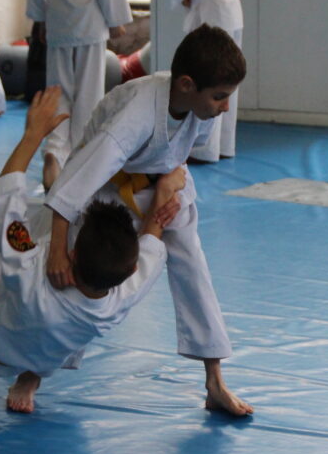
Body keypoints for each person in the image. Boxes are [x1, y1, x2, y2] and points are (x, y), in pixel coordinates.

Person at [0, 85, 184, 413]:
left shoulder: (30, 273)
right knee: (50, 222)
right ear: (131, 271)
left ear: (73, 254)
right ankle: (32, 375)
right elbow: (151, 239)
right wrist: (165, 188)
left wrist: (33, 135)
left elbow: (5, 198)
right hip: (47, 345)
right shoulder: (121, 295)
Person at [45, 24, 254, 417]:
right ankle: (34, 372)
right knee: (77, 275)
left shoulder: (198, 104)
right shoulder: (137, 112)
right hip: (102, 187)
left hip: (159, 182)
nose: (226, 106)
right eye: (220, 97)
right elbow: (77, 182)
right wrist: (58, 250)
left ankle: (215, 382)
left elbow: (179, 148)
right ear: (188, 85)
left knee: (193, 262)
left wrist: (168, 188)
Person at [26, 0, 134, 189]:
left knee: (58, 91)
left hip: (58, 10)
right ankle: (81, 164)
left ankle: (54, 152)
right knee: (88, 93)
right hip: (89, 12)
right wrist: (114, 18)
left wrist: (40, 16)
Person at [164, 0, 247, 162]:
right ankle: (223, 145)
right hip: (230, 4)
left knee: (206, 77)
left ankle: (202, 148)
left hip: (210, 5)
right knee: (227, 79)